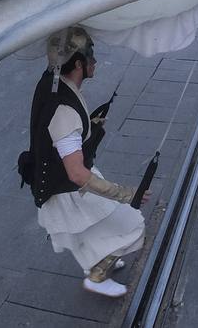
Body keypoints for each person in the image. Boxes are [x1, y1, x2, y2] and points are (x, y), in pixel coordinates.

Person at [23, 27, 144, 298]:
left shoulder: (50, 80)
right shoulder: (65, 111)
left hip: (59, 178)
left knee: (89, 232)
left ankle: (103, 258)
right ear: (79, 64)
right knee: (131, 225)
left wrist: (88, 127)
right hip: (68, 187)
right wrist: (125, 194)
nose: (95, 61)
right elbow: (77, 174)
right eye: (91, 56)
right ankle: (98, 275)